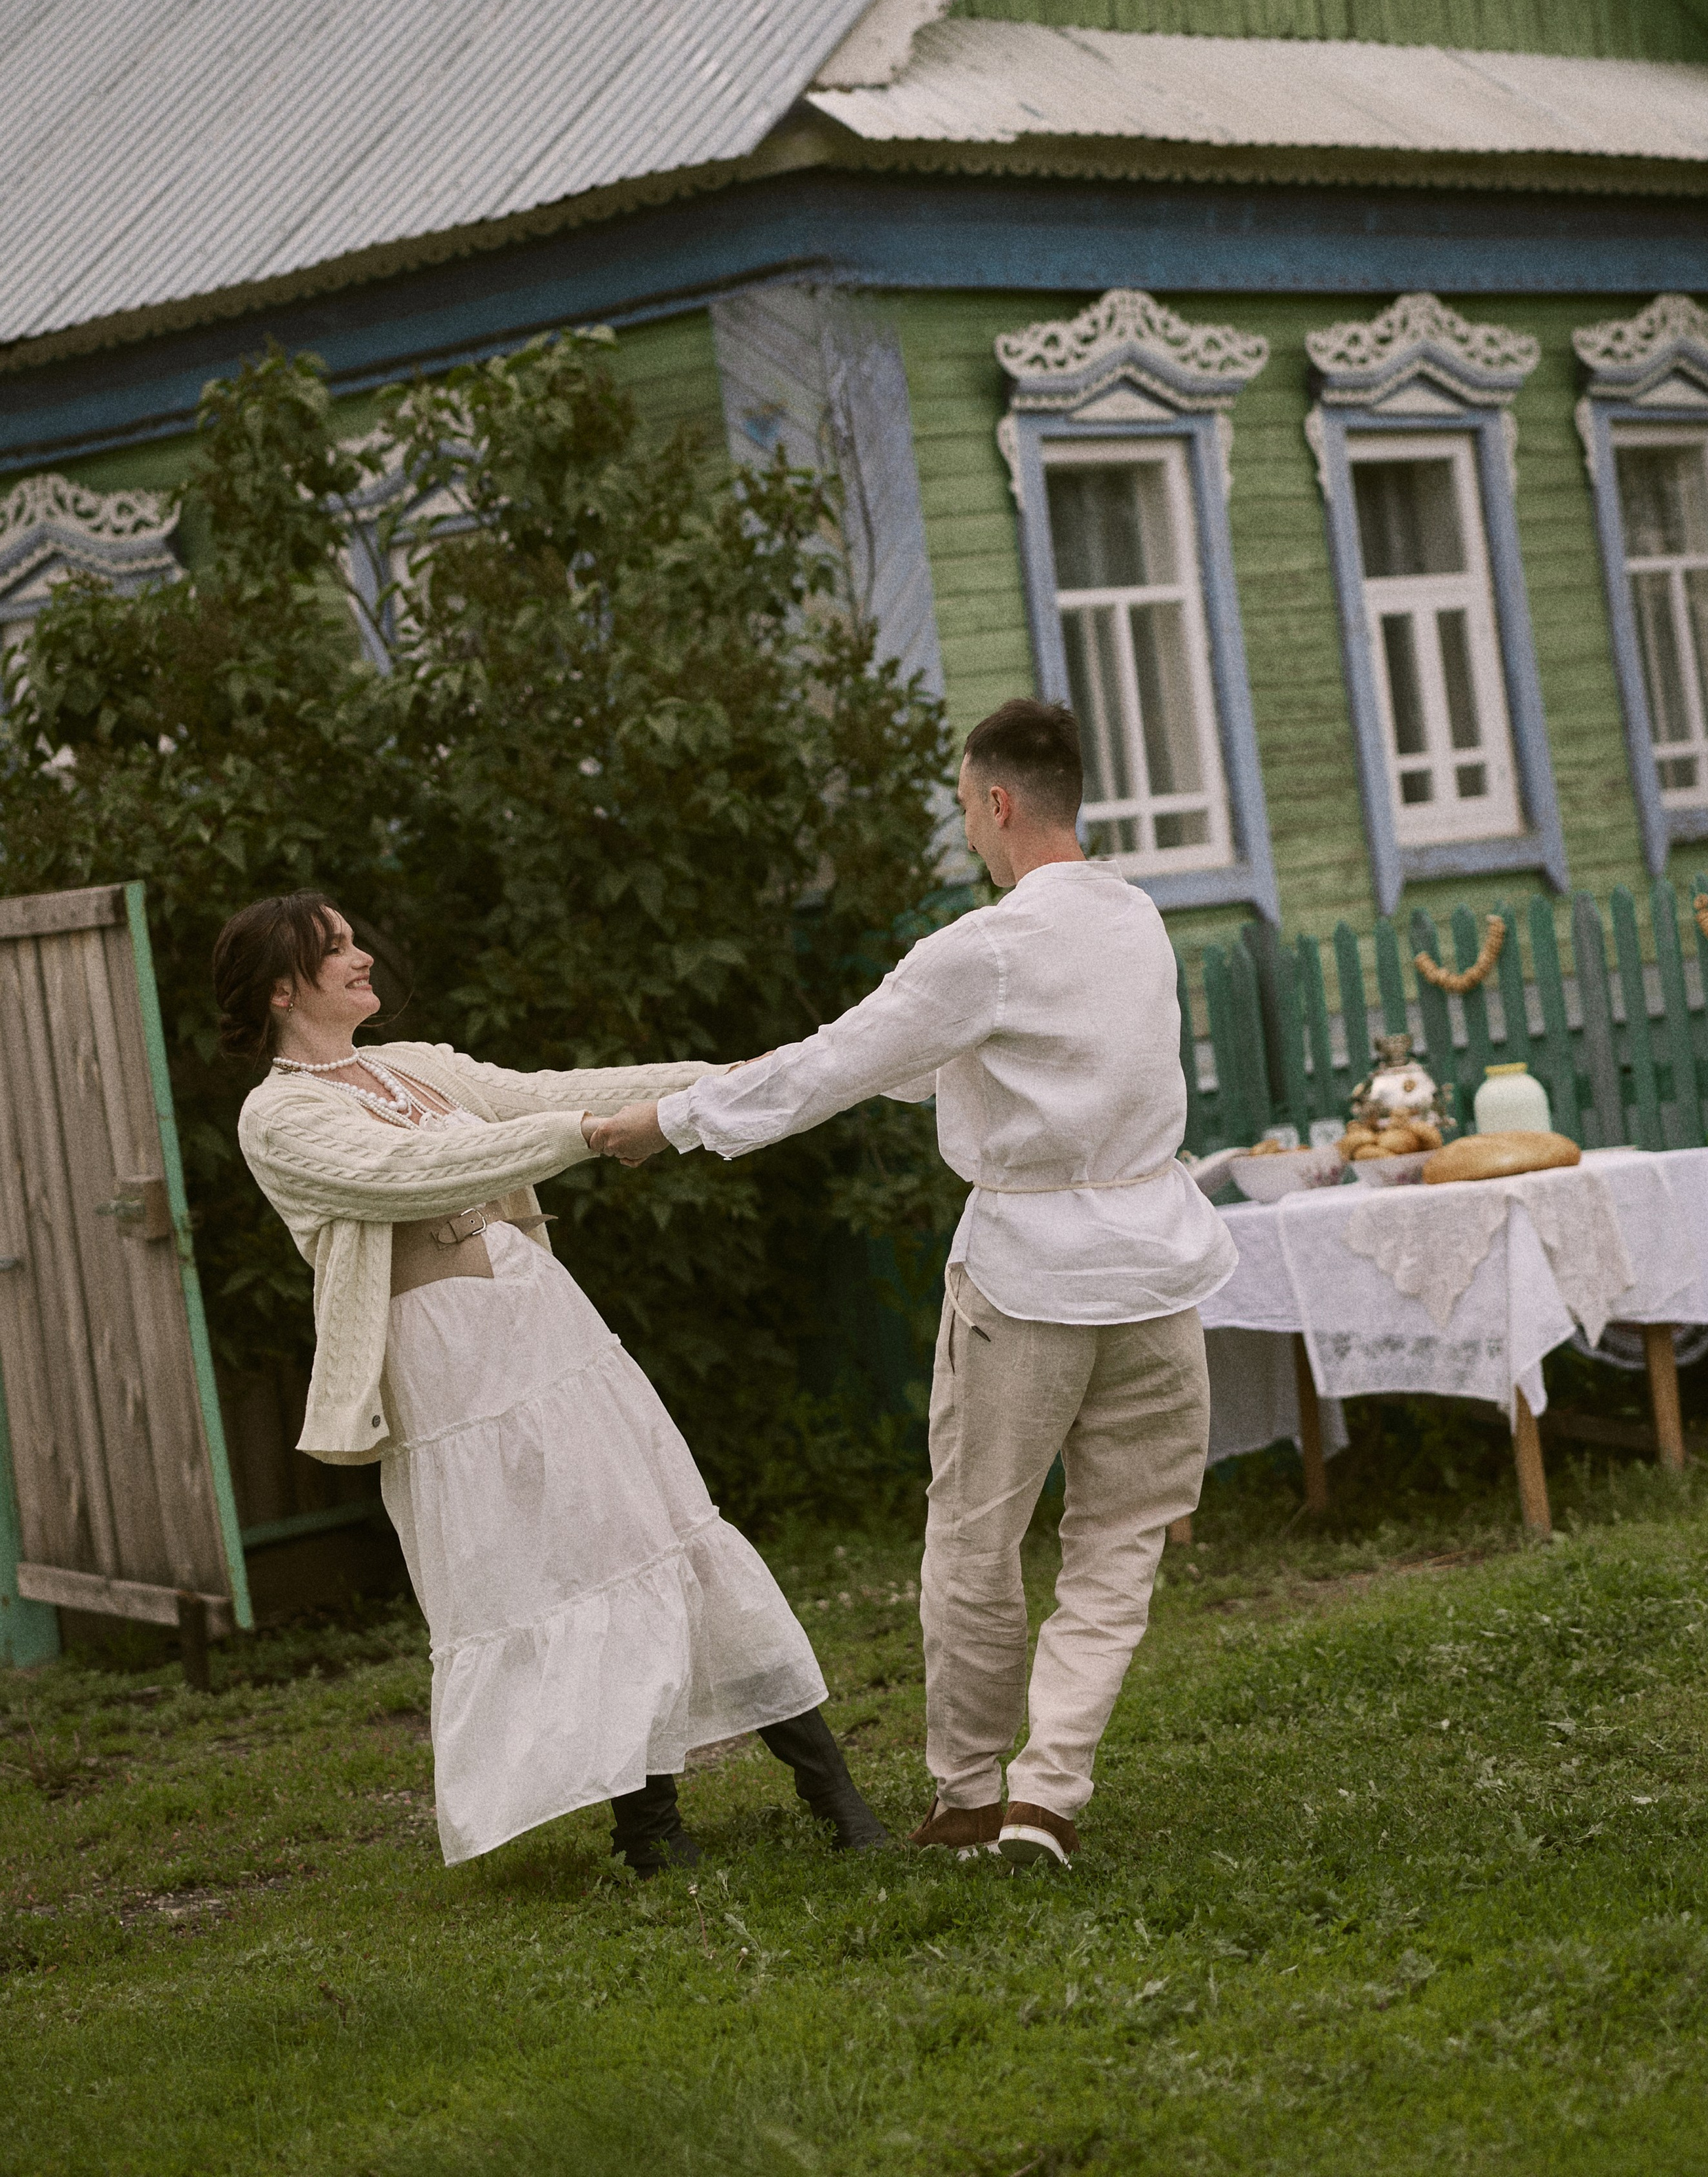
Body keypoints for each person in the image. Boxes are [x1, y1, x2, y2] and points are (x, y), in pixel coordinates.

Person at [590, 698, 1235, 1870]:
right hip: (1157, 1270)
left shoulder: (984, 947)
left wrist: (669, 1122)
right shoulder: (1138, 921)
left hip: (1034, 1281)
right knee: (1120, 1540)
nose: (968, 834)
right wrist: (727, 1087)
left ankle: (974, 1799)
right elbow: (949, 1066)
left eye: (963, 810)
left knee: (977, 1540)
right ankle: (1050, 1795)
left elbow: (841, 1063)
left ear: (995, 803)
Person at [219, 891, 888, 1873]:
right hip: (451, 1370)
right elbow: (420, 1171)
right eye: (336, 951)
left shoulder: (415, 1067)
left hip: (549, 1332)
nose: (364, 957)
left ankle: (829, 1786)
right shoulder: (278, 1118)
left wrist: (717, 1083)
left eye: (358, 938)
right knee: (566, 1564)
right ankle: (648, 1828)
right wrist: (591, 1134)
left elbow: (543, 1089)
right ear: (281, 988)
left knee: (661, 1526)